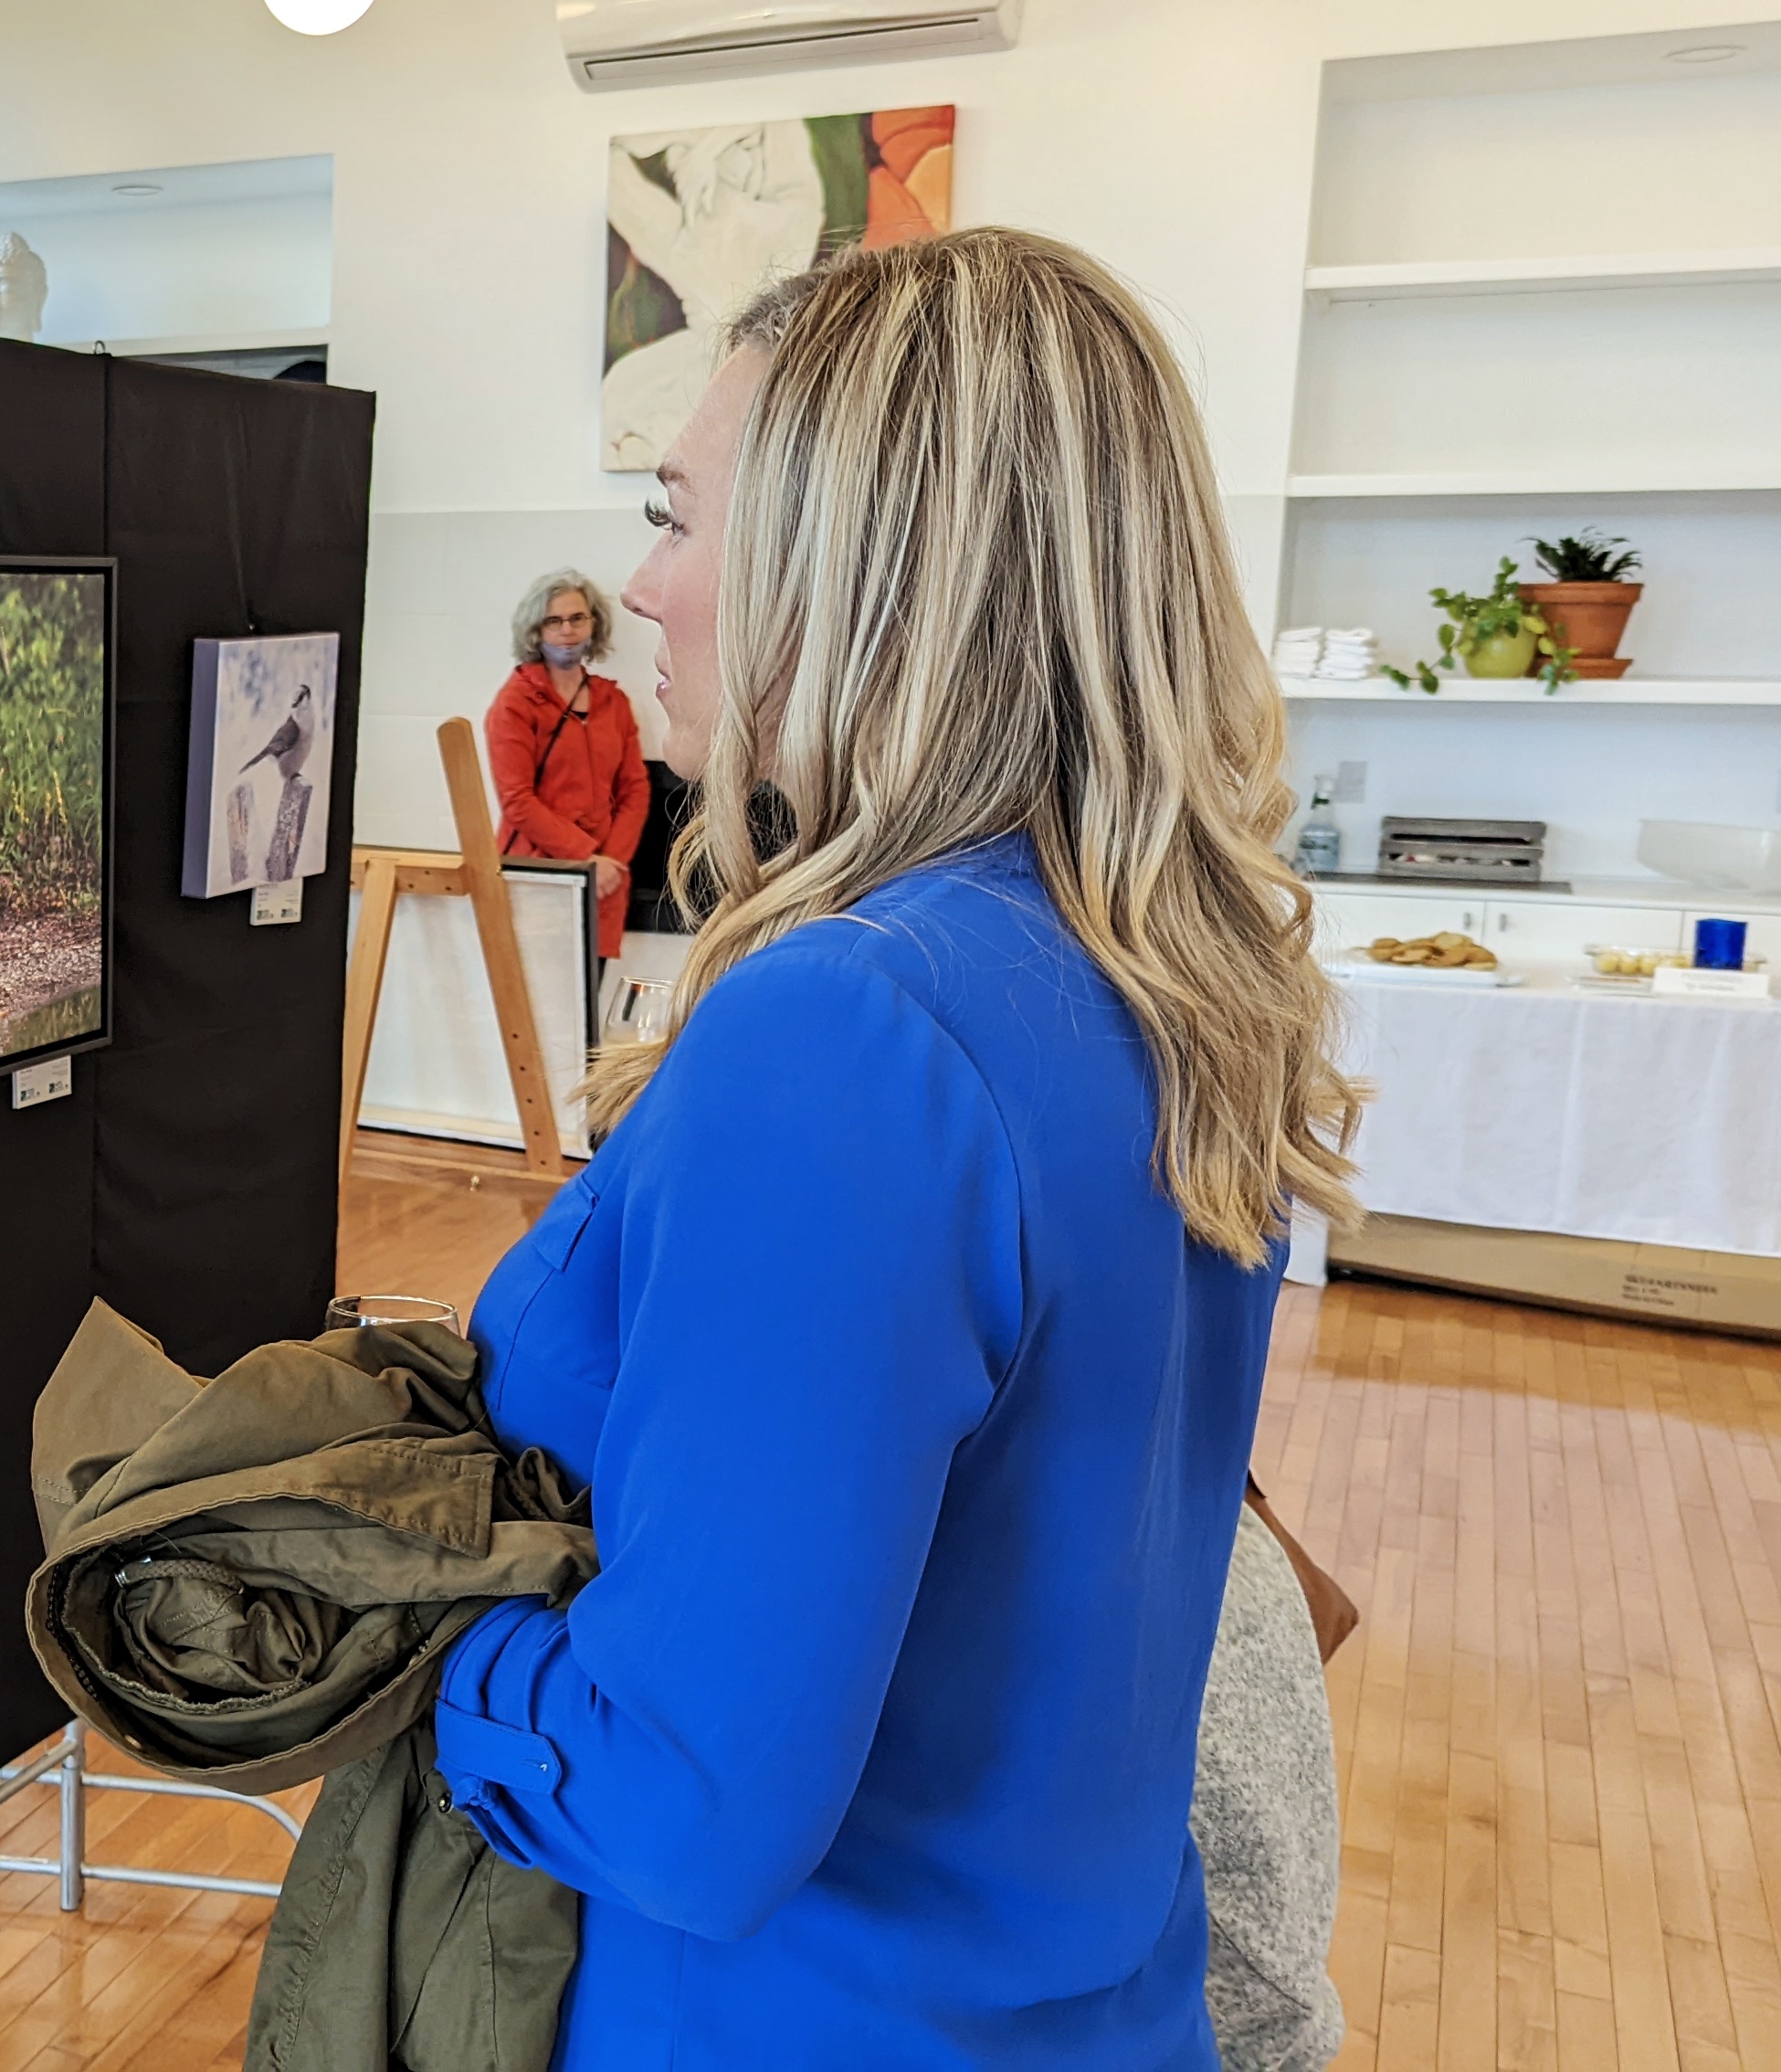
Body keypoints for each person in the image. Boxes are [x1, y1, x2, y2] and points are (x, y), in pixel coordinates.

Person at [427, 227, 1362, 2067]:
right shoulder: (1166, 974)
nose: (639, 587)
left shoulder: (851, 1028)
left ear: (854, 563)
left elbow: (688, 1804)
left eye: (681, 517)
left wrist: (401, 1645)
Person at [484, 570, 649, 956]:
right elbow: (517, 800)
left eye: (578, 618)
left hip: (603, 883)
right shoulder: (515, 704)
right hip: (538, 878)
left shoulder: (613, 703)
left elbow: (635, 789)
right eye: (554, 621)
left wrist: (611, 862)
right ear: (536, 631)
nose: (567, 630)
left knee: (586, 1007)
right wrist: (584, 858)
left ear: (594, 624)